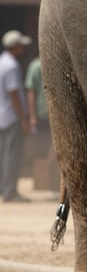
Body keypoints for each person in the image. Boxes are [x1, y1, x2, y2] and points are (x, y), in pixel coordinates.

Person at [0, 30, 32, 202]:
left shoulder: (2, 62)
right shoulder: (12, 66)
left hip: (2, 116)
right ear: (15, 47)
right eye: (21, 45)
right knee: (12, 155)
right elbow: (13, 93)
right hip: (11, 116)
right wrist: (23, 118)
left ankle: (4, 189)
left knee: (3, 154)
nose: (24, 48)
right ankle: (10, 192)